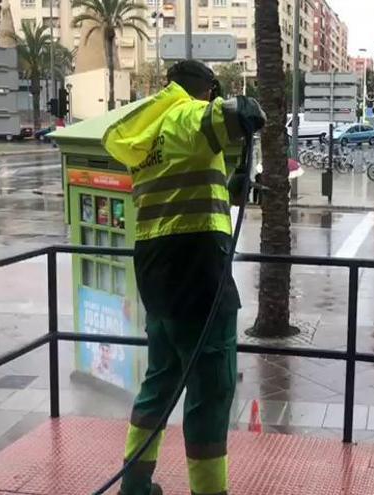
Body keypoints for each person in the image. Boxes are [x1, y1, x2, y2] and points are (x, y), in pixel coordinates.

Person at [103, 60, 265, 495]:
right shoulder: (186, 114)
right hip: (197, 270)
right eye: (212, 91)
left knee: (160, 379)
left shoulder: (150, 135)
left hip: (156, 269)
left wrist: (231, 187)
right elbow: (227, 116)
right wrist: (244, 109)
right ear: (206, 89)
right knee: (211, 391)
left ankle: (134, 485)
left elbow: (181, 188)